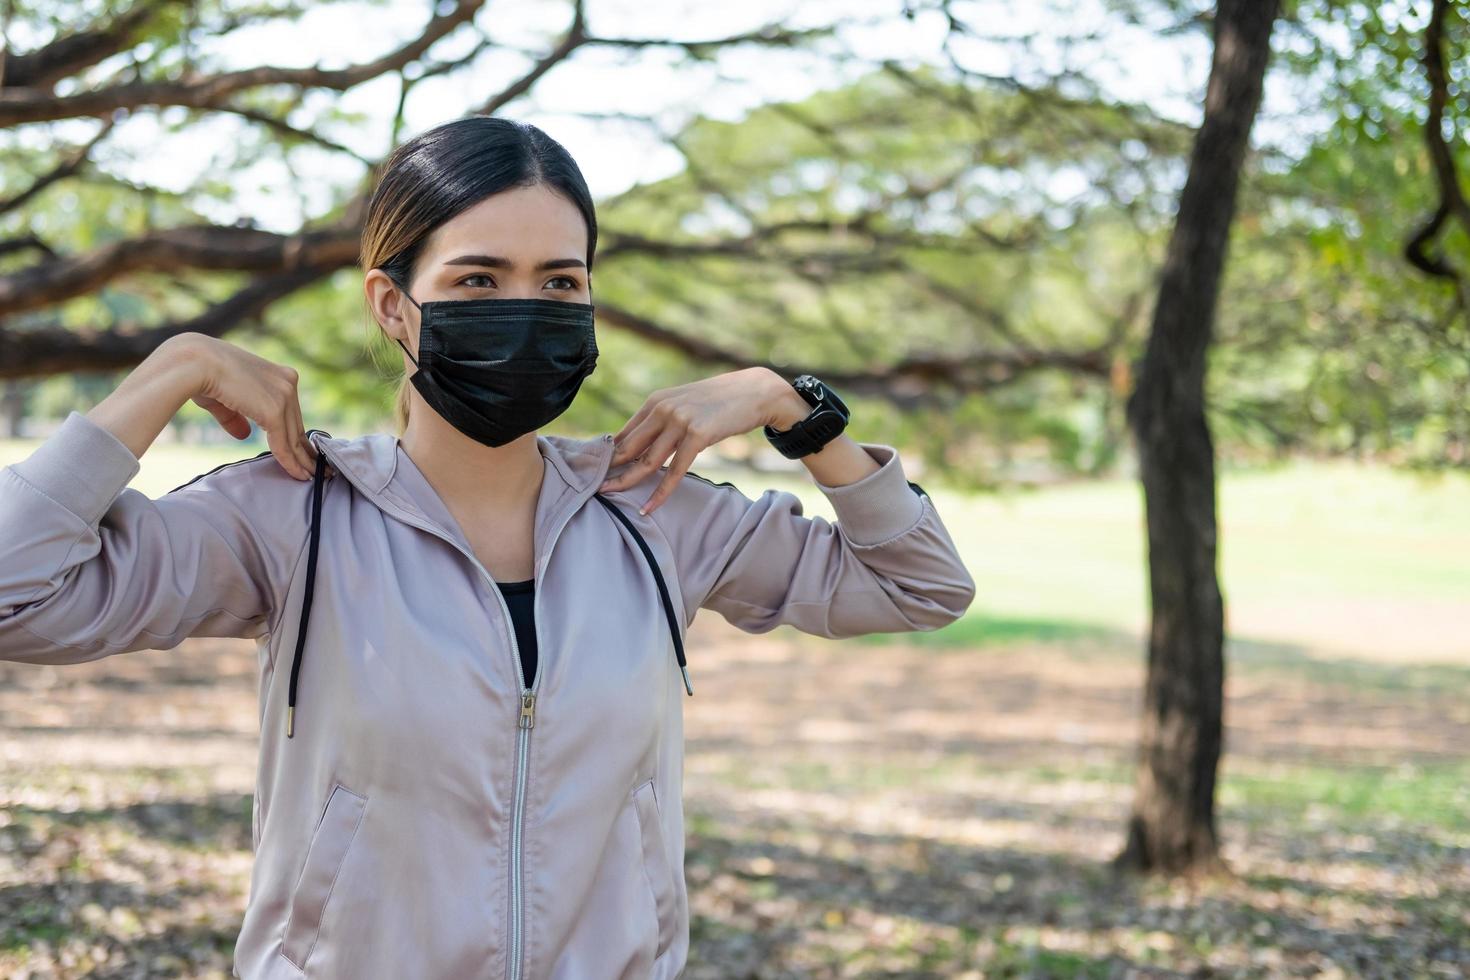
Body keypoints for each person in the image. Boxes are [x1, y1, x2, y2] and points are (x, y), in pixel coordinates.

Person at [0, 114, 976, 979]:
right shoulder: (290, 512)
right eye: (478, 278)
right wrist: (171, 369)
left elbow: (922, 584)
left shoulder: (660, 508)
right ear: (392, 304)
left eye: (561, 280)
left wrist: (793, 408)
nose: (528, 307)